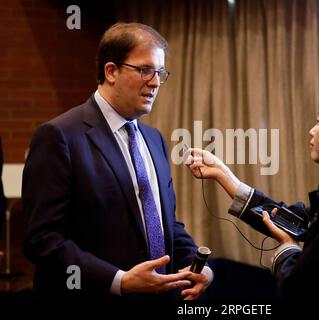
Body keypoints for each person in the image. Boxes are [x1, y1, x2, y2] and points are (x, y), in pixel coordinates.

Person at [22, 22, 212, 302]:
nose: (156, 82)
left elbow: (165, 224)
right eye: (145, 70)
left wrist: (201, 268)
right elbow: (43, 240)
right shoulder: (59, 136)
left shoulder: (154, 139)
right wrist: (119, 281)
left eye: (160, 72)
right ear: (111, 71)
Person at [186, 77, 319, 301]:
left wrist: (288, 247)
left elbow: (298, 293)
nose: (312, 131)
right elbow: (292, 220)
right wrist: (223, 173)